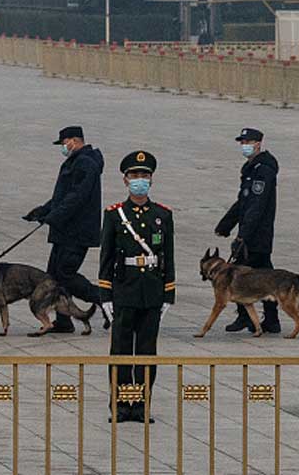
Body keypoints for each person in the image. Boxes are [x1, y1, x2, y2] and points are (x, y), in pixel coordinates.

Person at [99, 151, 175, 423]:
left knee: (146, 351)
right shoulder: (114, 215)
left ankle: (141, 404)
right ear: (125, 179)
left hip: (151, 291)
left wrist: (169, 293)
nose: (139, 180)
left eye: (144, 176)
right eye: (134, 176)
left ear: (151, 180)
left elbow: (168, 255)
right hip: (124, 289)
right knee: (120, 350)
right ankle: (120, 405)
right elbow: (106, 257)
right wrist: (105, 294)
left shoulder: (162, 215)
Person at [24, 126, 105, 333]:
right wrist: (42, 211)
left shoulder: (86, 163)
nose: (62, 147)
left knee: (65, 273)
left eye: (63, 143)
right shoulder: (74, 162)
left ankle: (104, 298)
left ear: (74, 141)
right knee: (53, 277)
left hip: (77, 232)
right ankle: (64, 320)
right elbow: (62, 196)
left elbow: (77, 197)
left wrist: (54, 216)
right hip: (65, 231)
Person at [214, 127, 281, 334]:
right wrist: (226, 224)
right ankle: (270, 319)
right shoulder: (251, 168)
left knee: (240, 276)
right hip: (251, 233)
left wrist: (243, 236)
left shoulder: (264, 170)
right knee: (267, 277)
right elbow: (243, 201)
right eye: (242, 142)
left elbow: (257, 206)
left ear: (259, 143)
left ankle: (247, 317)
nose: (244, 146)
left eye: (248, 142)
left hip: (257, 235)